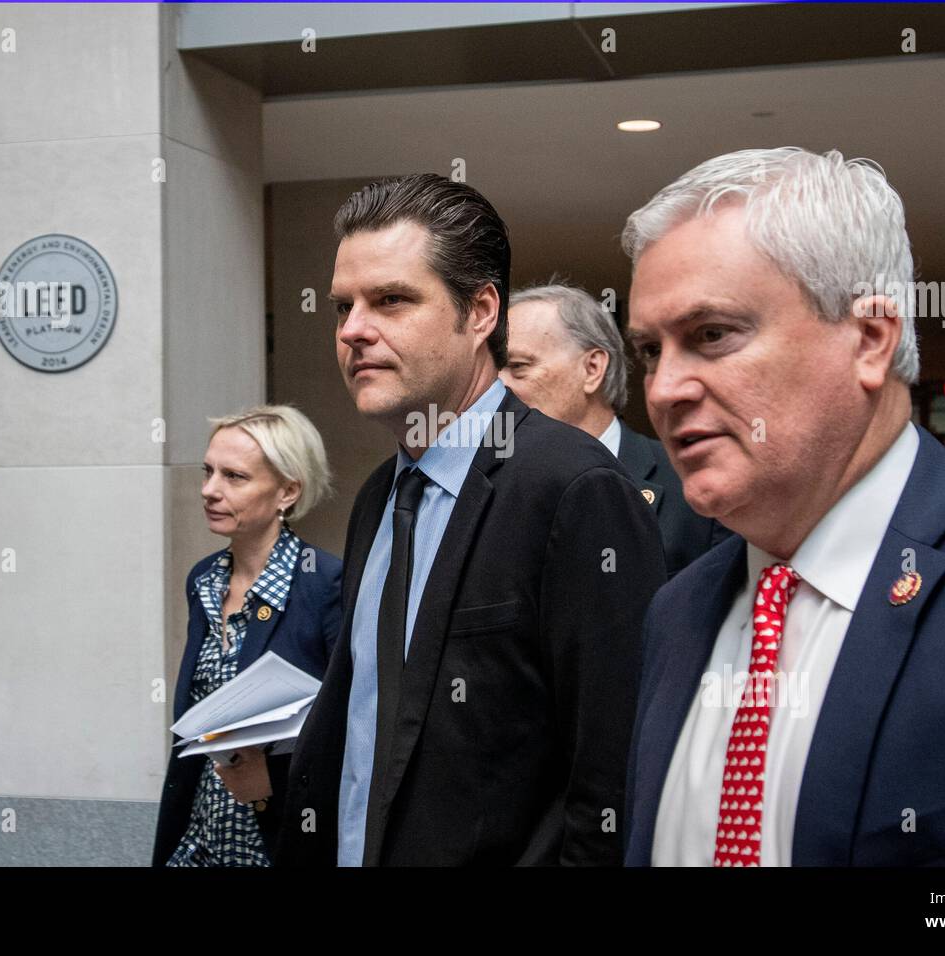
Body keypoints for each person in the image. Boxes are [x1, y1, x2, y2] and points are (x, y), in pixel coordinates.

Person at [622, 147, 945, 866]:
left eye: (711, 335)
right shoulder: (679, 608)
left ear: (870, 341)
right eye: (649, 352)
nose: (663, 390)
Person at [275, 173, 667, 866]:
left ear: (481, 311)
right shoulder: (377, 498)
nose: (354, 330)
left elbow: (613, 780)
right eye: (343, 307)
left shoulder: (573, 488)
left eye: (391, 300)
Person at [152, 405, 342, 867]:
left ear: (287, 491)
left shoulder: (324, 583)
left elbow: (349, 724)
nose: (210, 490)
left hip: (272, 841)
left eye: (235, 477)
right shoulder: (204, 580)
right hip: (197, 836)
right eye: (208, 471)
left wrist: (272, 777)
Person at [500, 282, 728, 577]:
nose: (499, 386)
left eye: (517, 367)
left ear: (592, 369)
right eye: (494, 372)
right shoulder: (486, 489)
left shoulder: (692, 483)